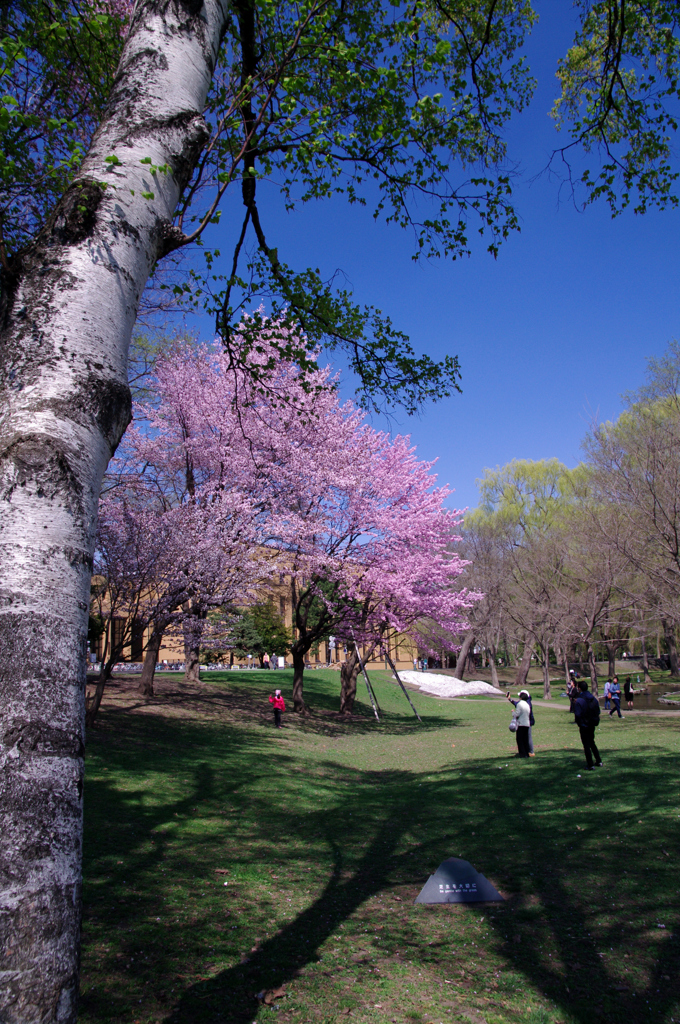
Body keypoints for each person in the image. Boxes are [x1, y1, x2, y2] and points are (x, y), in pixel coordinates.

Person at [573, 679, 603, 770]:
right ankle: (598, 760)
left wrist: (580, 723)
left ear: (579, 689)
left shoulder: (579, 700)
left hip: (584, 725)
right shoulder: (593, 698)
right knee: (592, 742)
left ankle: (590, 764)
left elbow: (577, 714)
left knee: (586, 745)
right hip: (592, 723)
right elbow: (598, 711)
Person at [505, 689, 532, 758]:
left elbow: (516, 714)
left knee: (520, 739)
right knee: (525, 739)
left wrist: (512, 712)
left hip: (521, 724)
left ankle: (522, 754)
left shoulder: (520, 704)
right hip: (527, 724)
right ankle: (526, 753)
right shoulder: (527, 705)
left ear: (521, 697)